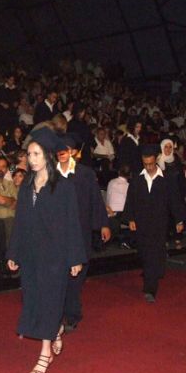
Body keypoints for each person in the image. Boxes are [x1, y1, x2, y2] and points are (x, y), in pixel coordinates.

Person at [6, 128, 86, 373]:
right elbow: (20, 221)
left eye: (36, 154)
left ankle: (45, 352)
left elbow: (72, 222)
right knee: (35, 299)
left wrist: (75, 257)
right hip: (31, 254)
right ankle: (56, 330)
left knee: (50, 300)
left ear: (48, 155)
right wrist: (13, 252)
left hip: (55, 254)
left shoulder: (63, 186)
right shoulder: (26, 185)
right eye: (29, 154)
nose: (31, 159)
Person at [56, 133, 110, 333]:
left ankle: (72, 314)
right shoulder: (49, 173)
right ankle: (57, 313)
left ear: (73, 152)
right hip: (56, 233)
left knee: (76, 276)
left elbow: (96, 199)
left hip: (80, 232)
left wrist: (103, 224)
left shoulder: (85, 174)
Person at [124, 145, 186, 302]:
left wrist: (179, 219)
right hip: (142, 222)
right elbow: (130, 200)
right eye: (145, 164)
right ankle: (153, 271)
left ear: (156, 160)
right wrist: (130, 218)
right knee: (145, 253)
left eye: (151, 164)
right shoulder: (137, 179)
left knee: (153, 253)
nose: (148, 167)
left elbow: (174, 200)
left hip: (159, 223)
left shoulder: (167, 179)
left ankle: (150, 289)